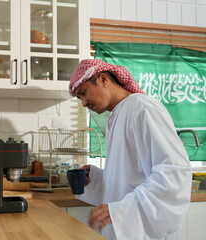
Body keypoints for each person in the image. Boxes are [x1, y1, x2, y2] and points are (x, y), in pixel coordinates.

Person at [68, 59, 192, 239]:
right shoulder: (117, 115)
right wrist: (95, 178)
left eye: (83, 93)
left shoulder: (142, 108)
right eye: (79, 98)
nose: (84, 103)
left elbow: (174, 173)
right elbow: (133, 175)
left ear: (103, 79)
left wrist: (122, 209)